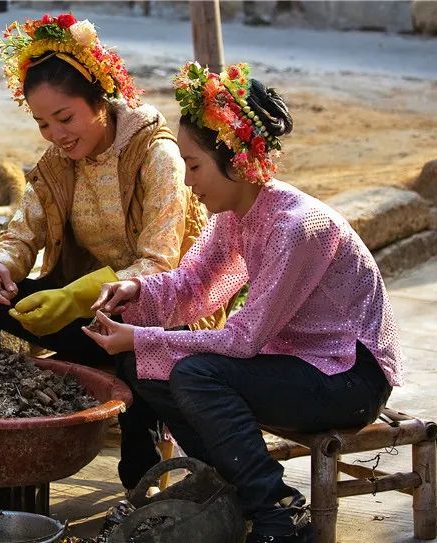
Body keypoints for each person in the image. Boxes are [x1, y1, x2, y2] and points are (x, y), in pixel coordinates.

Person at [83, 62, 402, 543]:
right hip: (295, 365)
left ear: (234, 158)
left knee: (191, 371)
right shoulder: (237, 213)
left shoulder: (298, 226)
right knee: (149, 363)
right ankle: (227, 490)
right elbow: (193, 284)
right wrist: (137, 292)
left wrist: (145, 334)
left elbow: (244, 337)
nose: (189, 182)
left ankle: (277, 511)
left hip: (349, 378)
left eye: (194, 165)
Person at [0, 12, 223, 490]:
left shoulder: (155, 155)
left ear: (99, 100)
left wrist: (75, 296)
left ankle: (140, 469)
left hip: (156, 314)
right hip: (85, 314)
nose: (57, 135)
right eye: (42, 124)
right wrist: (2, 264)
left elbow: (159, 264)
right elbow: (24, 228)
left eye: (65, 118)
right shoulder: (58, 163)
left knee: (135, 325)